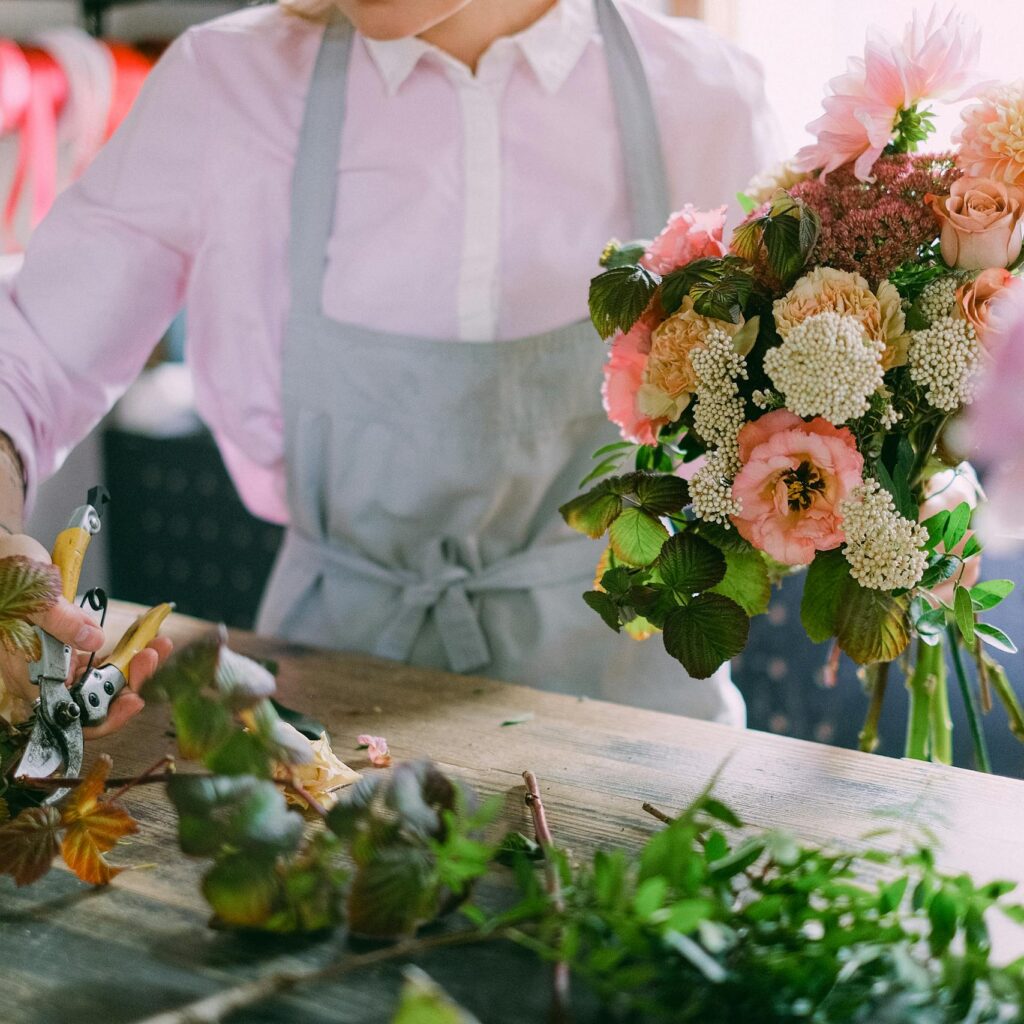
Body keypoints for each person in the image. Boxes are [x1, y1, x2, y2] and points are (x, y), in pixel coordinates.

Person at [0, 0, 776, 734]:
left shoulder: (709, 97)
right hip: (328, 733)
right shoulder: (224, 87)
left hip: (644, 737)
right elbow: (27, 357)